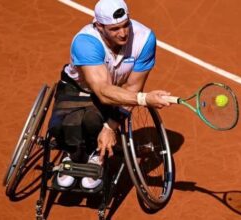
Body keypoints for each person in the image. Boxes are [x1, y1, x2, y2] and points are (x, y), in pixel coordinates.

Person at [48, 0, 170, 191]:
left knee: (93, 122)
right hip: (76, 88)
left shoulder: (145, 39)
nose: (123, 33)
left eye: (125, 25)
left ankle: (97, 156)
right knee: (63, 127)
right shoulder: (86, 42)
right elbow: (103, 91)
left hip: (112, 92)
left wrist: (110, 127)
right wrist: (145, 99)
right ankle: (72, 154)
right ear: (99, 26)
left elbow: (132, 86)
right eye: (115, 29)